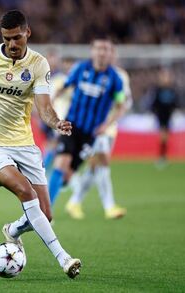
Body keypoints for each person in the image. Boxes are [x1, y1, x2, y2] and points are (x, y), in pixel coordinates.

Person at [0, 10, 81, 279]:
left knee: (45, 213)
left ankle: (13, 231)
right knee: (24, 190)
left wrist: (56, 122)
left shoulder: (38, 64)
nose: (12, 44)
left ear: (27, 33)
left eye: (17, 37)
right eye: (7, 38)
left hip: (23, 143)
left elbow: (44, 108)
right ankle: (64, 258)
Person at [48, 36, 126, 210]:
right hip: (71, 125)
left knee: (68, 175)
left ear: (110, 53)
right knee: (61, 163)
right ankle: (46, 211)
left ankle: (49, 191)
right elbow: (64, 87)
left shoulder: (115, 79)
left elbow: (121, 106)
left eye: (105, 49)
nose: (102, 52)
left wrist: (107, 125)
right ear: (92, 51)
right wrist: (51, 105)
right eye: (98, 48)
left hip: (91, 134)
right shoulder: (81, 69)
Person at [65, 47, 131, 220]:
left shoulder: (120, 76)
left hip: (109, 126)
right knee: (102, 161)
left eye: (110, 52)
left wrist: (116, 112)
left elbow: (125, 101)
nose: (106, 55)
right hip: (94, 126)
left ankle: (75, 201)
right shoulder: (89, 71)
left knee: (95, 166)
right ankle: (109, 206)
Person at [40, 48, 73, 174]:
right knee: (52, 144)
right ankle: (43, 171)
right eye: (49, 60)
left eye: (54, 60)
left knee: (54, 144)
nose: (51, 63)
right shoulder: (42, 76)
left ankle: (42, 170)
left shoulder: (62, 79)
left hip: (58, 116)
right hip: (47, 115)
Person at [151, 68, 178, 167]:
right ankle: (162, 157)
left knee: (165, 138)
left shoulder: (172, 90)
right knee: (162, 137)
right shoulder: (158, 90)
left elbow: (175, 103)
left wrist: (175, 112)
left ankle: (164, 157)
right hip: (160, 116)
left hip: (169, 116)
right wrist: (153, 113)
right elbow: (154, 104)